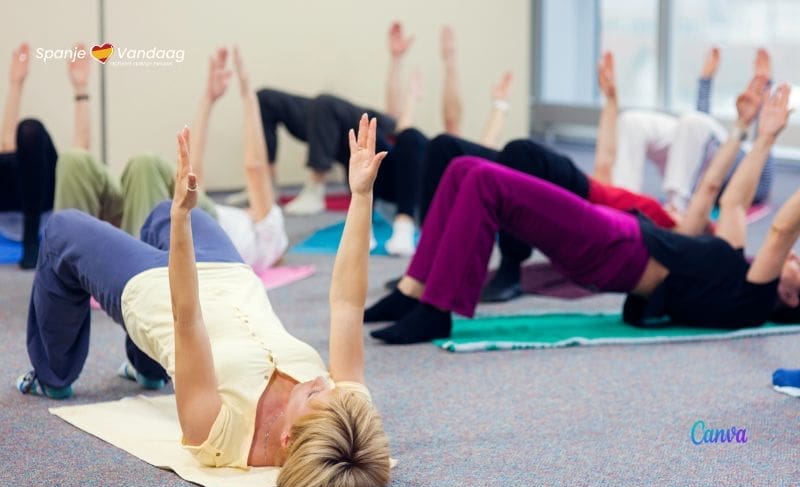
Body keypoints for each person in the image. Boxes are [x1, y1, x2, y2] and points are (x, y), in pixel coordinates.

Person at [16, 115, 391, 487]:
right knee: (163, 209)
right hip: (231, 274)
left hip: (158, 290)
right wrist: (361, 196)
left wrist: (183, 220)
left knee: (63, 229)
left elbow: (187, 318)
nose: (321, 380)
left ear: (287, 438)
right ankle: (145, 368)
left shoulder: (219, 435)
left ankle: (53, 374)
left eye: (313, 393)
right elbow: (346, 303)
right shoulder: (347, 415)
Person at [364, 80, 796, 345]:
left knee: (485, 181)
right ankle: (413, 291)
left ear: (793, 297)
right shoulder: (733, 265)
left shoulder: (752, 299)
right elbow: (721, 194)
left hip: (618, 247)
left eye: (798, 265)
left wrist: (767, 141)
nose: (794, 258)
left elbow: (780, 230)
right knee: (463, 168)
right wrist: (755, 134)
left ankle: (437, 310)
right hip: (618, 242)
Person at [255, 22, 513, 256]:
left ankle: (404, 229)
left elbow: (475, 139)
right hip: (388, 185)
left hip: (418, 199)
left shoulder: (453, 160)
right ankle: (360, 226)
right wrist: (398, 64)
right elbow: (397, 123)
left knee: (412, 137)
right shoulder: (417, 148)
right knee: (367, 135)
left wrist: (498, 104)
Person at [53, 47, 288, 271]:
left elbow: (255, 168)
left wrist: (249, 95)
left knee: (146, 165)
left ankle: (97, 272)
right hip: (161, 219)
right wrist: (209, 98)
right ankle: (80, 268)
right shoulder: (238, 227)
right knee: (74, 161)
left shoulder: (270, 234)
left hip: (180, 224)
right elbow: (193, 172)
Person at [603, 47, 775, 215]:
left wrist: (764, 98)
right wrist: (705, 80)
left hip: (699, 174)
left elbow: (764, 152)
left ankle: (675, 209)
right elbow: (702, 125)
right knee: (631, 121)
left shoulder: (755, 178)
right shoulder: (707, 136)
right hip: (689, 158)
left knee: (692, 122)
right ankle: (624, 203)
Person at [0, 42, 88, 268]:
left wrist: (81, 89)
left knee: (31, 131)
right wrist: (16, 83)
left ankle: (31, 240)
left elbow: (80, 156)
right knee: (11, 149)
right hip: (10, 203)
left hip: (44, 207)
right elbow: (7, 147)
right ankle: (29, 241)